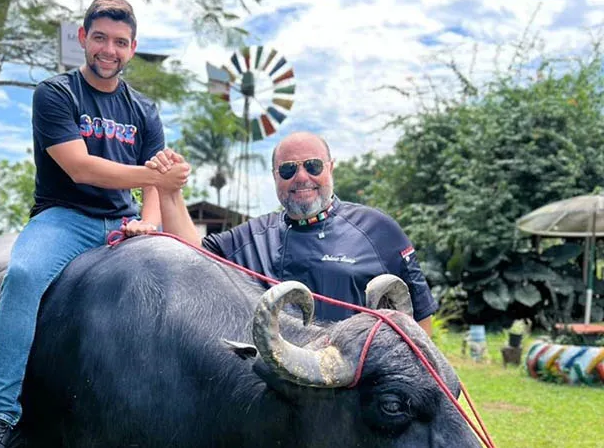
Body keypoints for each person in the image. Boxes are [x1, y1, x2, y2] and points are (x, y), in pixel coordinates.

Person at [0, 0, 190, 447]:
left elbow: (153, 189)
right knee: (22, 275)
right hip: (65, 218)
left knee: (178, 280)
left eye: (119, 42)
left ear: (132, 49)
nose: (108, 50)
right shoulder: (55, 93)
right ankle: (0, 415)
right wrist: (157, 175)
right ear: (82, 39)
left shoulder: (145, 111)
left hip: (123, 220)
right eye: (100, 38)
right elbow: (81, 167)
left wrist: (150, 222)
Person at [135, 131, 436, 333]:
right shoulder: (255, 236)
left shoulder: (378, 230)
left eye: (313, 166)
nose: (302, 177)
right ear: (275, 177)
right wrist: (169, 192)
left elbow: (420, 316)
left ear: (331, 168)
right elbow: (192, 257)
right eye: (289, 170)